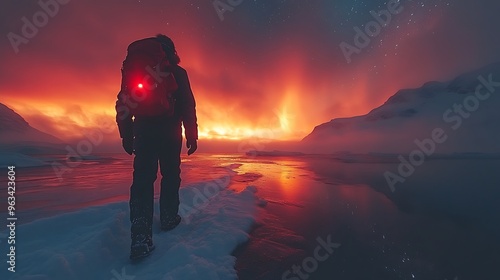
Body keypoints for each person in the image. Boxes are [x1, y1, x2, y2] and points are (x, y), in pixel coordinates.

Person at [115, 34, 198, 260]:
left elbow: (124, 102)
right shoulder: (178, 73)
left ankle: (140, 237)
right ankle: (169, 218)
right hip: (170, 132)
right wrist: (192, 134)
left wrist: (127, 135)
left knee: (142, 181)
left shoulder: (136, 69)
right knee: (170, 175)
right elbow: (187, 105)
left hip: (143, 131)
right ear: (172, 51)